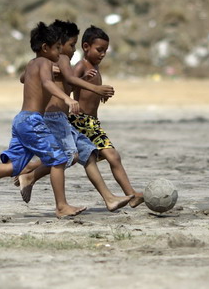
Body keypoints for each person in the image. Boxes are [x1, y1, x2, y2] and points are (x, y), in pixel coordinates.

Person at [0, 22, 86, 218]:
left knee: (15, 166)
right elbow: (46, 83)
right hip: (32, 122)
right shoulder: (44, 63)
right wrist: (67, 98)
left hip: (21, 121)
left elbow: (23, 78)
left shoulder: (32, 64)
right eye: (57, 48)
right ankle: (61, 206)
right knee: (59, 159)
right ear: (45, 48)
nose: (60, 53)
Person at [14, 20, 133, 212]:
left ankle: (109, 198)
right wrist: (95, 88)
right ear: (59, 44)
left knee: (88, 154)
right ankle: (36, 181)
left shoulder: (59, 61)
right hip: (54, 117)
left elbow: (67, 82)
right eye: (71, 45)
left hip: (62, 118)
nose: (72, 49)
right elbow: (57, 79)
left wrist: (73, 80)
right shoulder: (59, 59)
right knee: (69, 156)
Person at [69, 25, 144, 208]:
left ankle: (30, 175)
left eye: (105, 51)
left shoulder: (94, 67)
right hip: (82, 122)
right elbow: (68, 85)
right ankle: (131, 194)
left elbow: (89, 93)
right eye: (99, 50)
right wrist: (85, 81)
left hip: (92, 122)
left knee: (74, 158)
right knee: (111, 156)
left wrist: (100, 95)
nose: (102, 54)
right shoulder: (81, 66)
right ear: (86, 47)